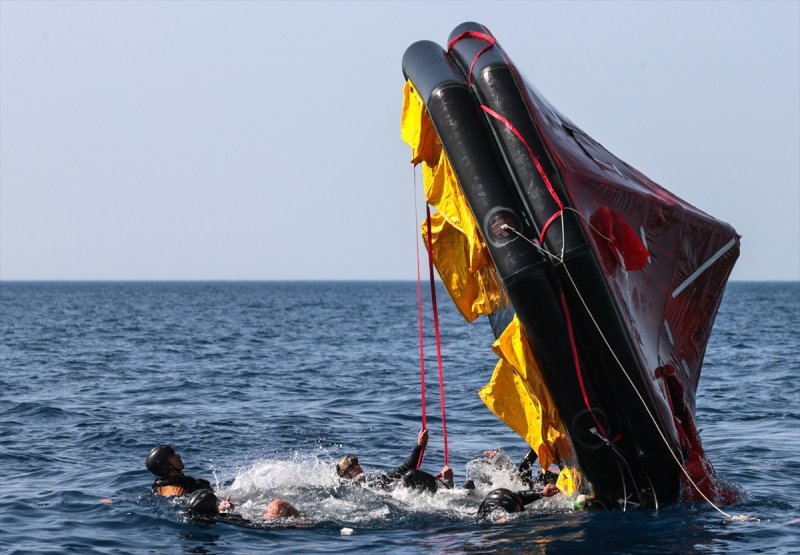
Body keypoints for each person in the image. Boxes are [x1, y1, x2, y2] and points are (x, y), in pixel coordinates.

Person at [335, 428, 453, 492]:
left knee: (409, 475)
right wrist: (419, 446)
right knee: (410, 475)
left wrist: (420, 446)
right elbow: (408, 468)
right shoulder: (355, 491)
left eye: (356, 463)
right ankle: (448, 487)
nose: (357, 467)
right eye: (351, 467)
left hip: (411, 499)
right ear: (345, 476)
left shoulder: (373, 481)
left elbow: (405, 468)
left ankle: (449, 486)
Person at [146, 444, 212, 496]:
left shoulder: (161, 487)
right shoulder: (175, 490)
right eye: (172, 456)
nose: (178, 456)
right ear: (164, 464)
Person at [477, 484, 560, 519]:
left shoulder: (483, 512)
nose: (520, 507)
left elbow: (519, 496)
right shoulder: (506, 520)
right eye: (518, 506)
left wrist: (542, 493)